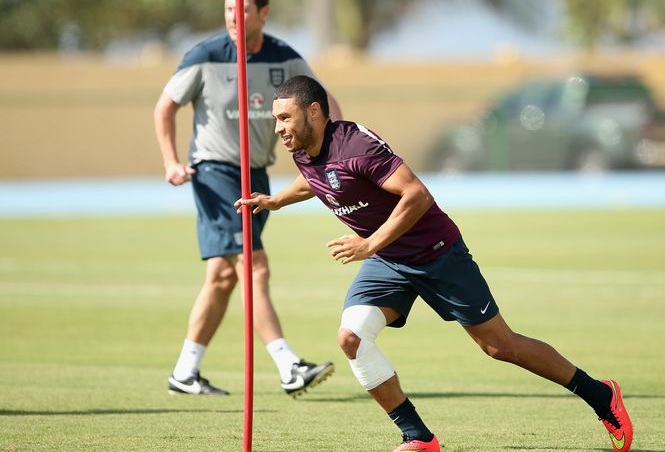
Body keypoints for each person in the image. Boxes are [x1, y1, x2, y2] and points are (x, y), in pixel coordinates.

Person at [235, 75, 634, 452]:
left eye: (285, 118)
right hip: (388, 261)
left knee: (500, 346)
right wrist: (276, 200)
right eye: (276, 119)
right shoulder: (304, 150)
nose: (278, 128)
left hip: (437, 253)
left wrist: (370, 242)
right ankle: (418, 437)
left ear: (314, 112)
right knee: (351, 338)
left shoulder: (356, 146)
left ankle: (601, 395)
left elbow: (417, 194)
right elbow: (316, 178)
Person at [153, 0, 340, 397]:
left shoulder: (284, 57)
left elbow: (324, 103)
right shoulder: (204, 56)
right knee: (255, 265)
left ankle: (184, 373)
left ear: (264, 14)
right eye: (227, 11)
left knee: (222, 276)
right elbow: (165, 107)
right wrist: (171, 161)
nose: (233, 18)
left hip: (257, 175)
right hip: (216, 172)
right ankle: (289, 366)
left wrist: (335, 154)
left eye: (242, 11)